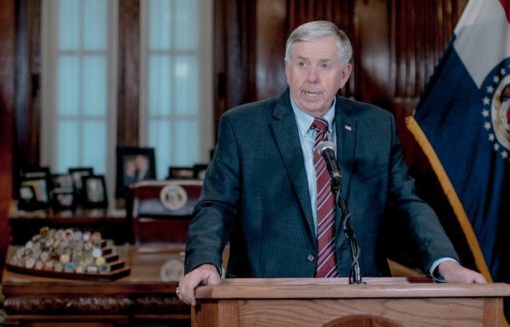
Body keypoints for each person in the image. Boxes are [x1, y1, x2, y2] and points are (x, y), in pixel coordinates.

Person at [177, 20, 486, 305]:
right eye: (302, 64)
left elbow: (406, 203)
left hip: (361, 301)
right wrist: (204, 260)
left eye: (324, 65)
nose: (312, 77)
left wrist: (446, 264)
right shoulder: (243, 127)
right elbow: (216, 205)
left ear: (344, 74)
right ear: (287, 69)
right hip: (265, 299)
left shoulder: (376, 126)